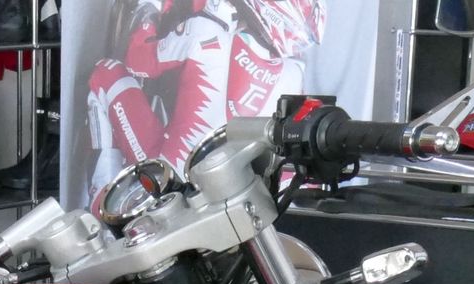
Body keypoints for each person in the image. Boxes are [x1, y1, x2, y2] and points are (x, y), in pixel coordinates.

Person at [84, 0, 327, 193]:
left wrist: (150, 10)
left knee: (105, 74)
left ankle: (103, 206)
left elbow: (138, 59)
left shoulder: (208, 31)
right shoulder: (294, 76)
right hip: (224, 199)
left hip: (167, 177)